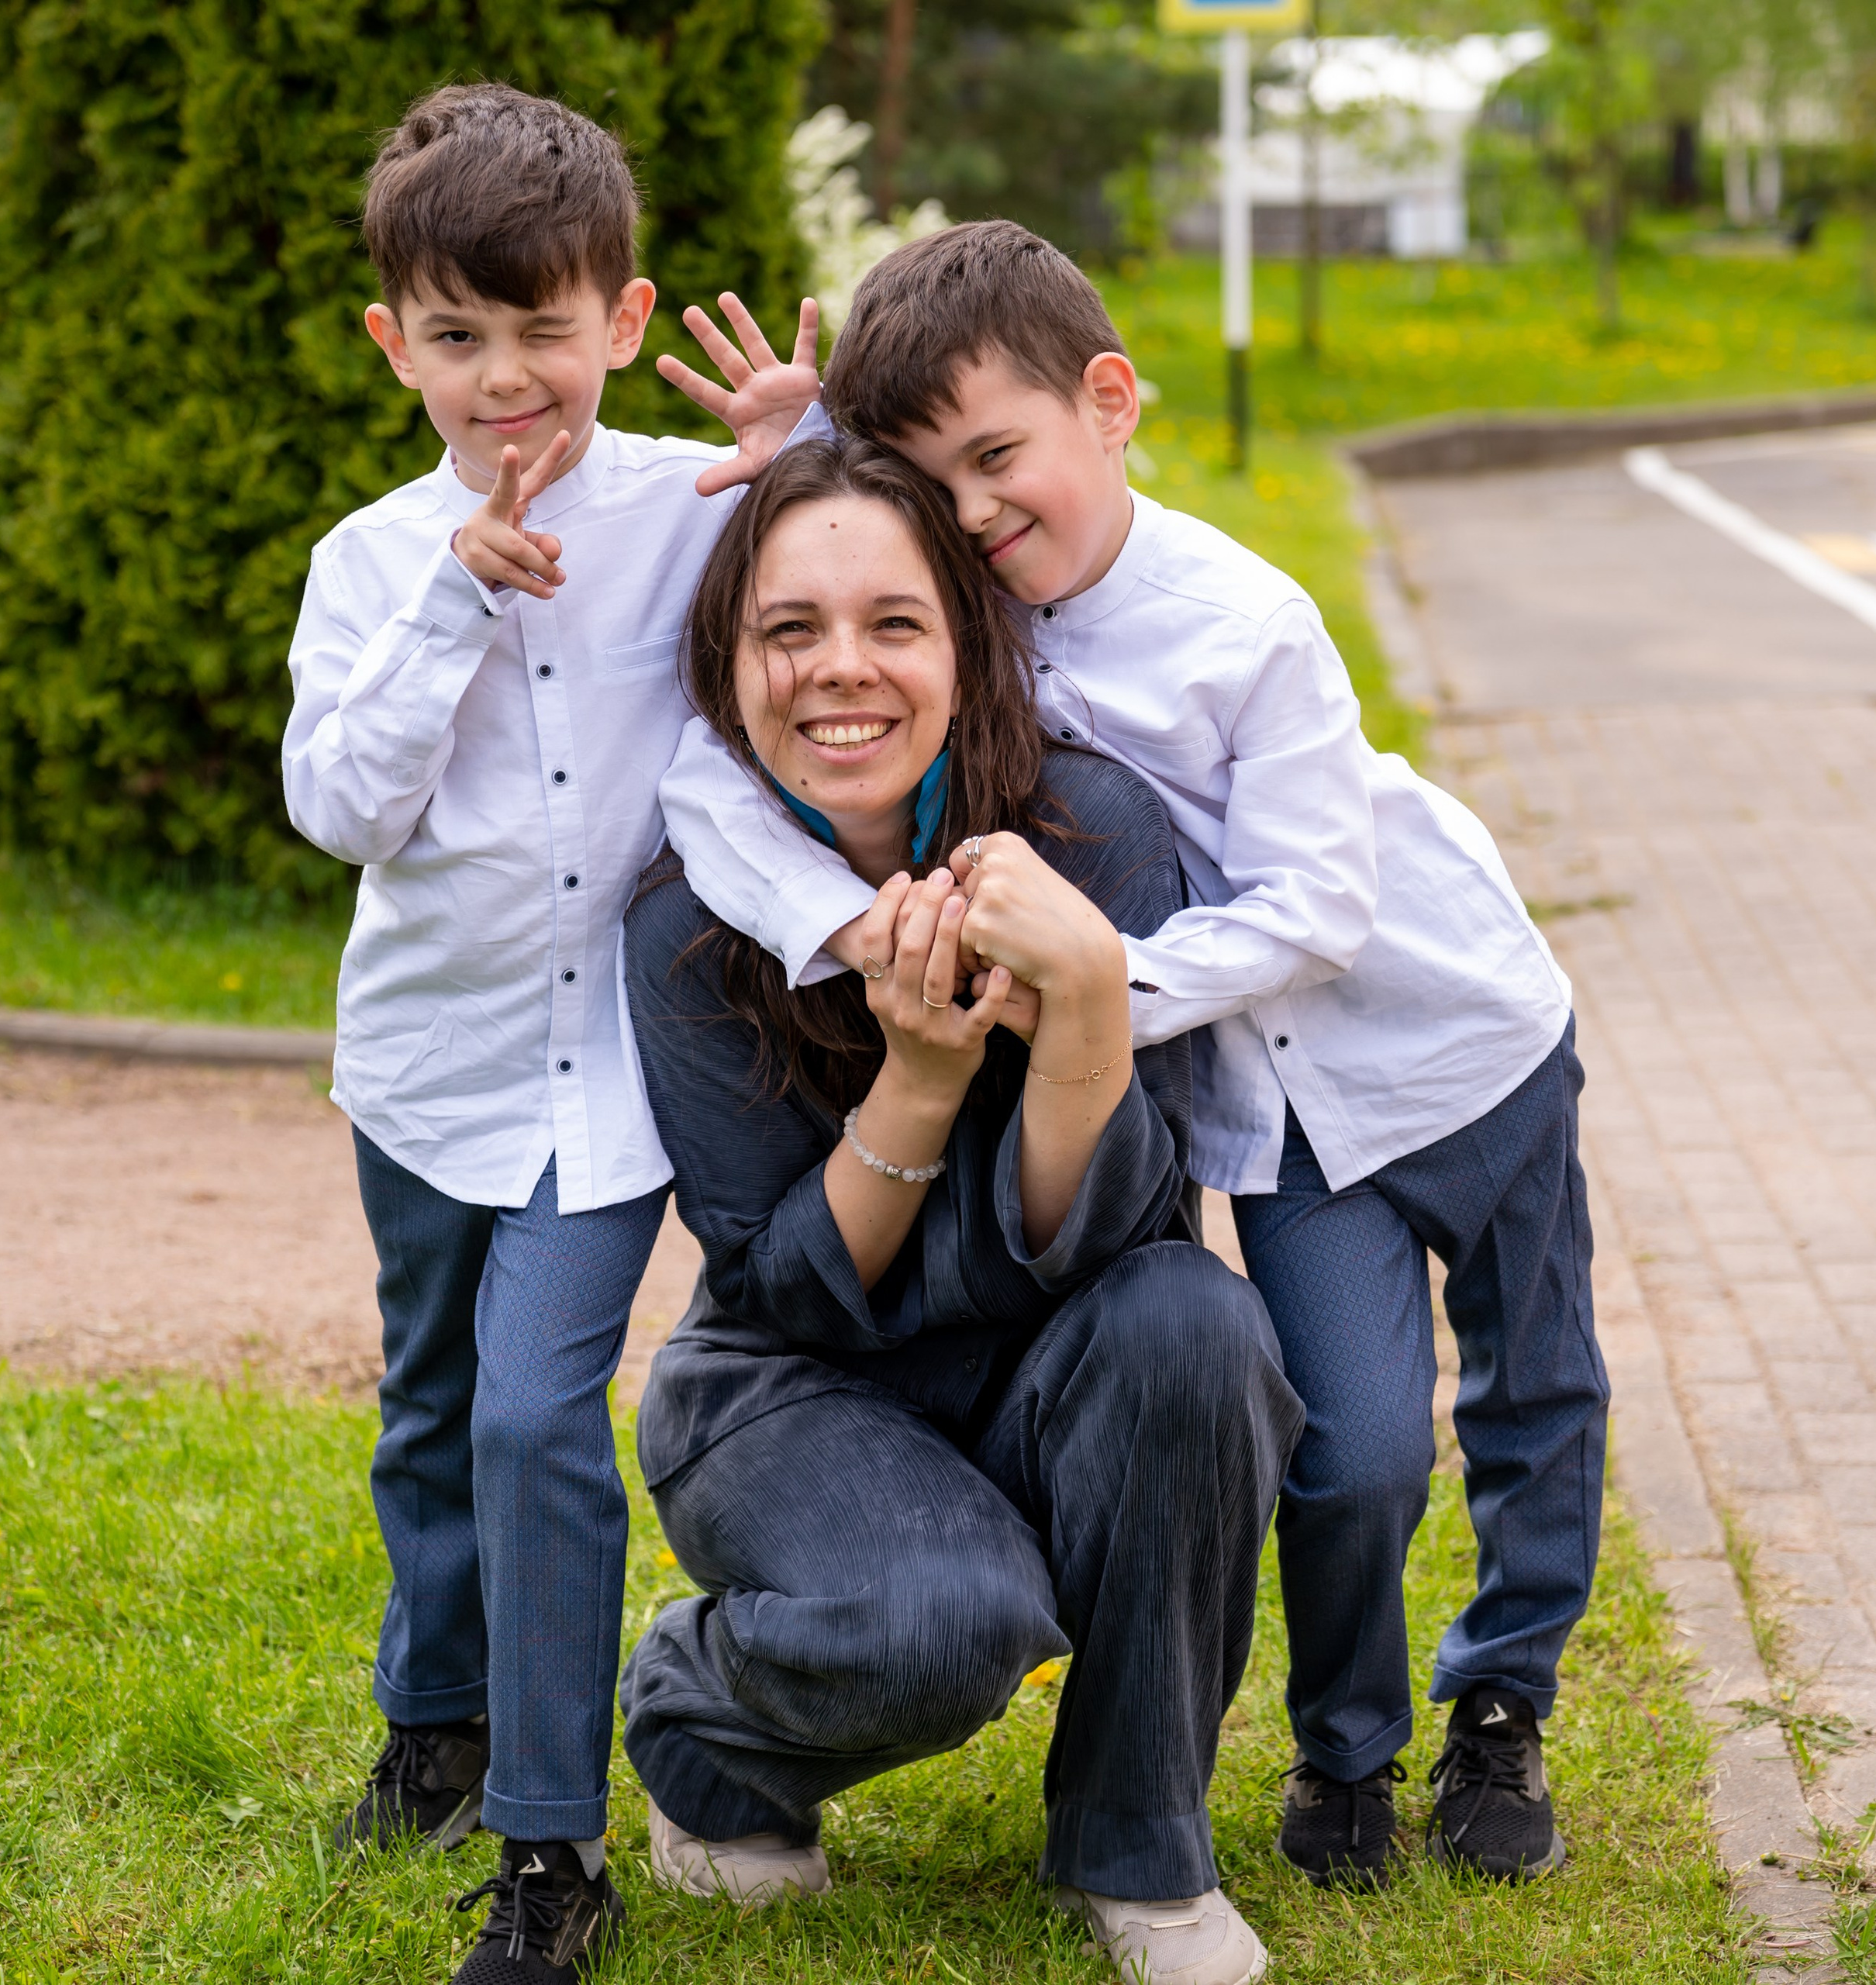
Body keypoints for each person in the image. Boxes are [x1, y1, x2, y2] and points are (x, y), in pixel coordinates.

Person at [661, 220, 1608, 1890]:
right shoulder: (971, 605)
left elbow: (1319, 906)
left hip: (1454, 1035)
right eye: (931, 482)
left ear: (1111, 400)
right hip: (1282, 1104)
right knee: (1355, 1443)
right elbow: (769, 700)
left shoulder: (1245, 616)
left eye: (997, 461)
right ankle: (1345, 1752)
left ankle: (1501, 1700)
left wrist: (1086, 987)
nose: (969, 513)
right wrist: (808, 460)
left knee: (1535, 1384)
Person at [620, 435, 1302, 1985]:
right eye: (788, 628)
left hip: (1059, 1344)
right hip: (796, 1385)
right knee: (943, 1616)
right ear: (727, 668)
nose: (838, 671)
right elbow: (783, 1287)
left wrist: (1082, 1006)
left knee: (1197, 1326)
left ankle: (1138, 1850)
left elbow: (1119, 1230)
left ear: (966, 642)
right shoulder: (684, 920)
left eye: (893, 622)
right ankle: (700, 1719)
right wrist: (917, 1073)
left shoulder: (1092, 835)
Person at [280, 83, 822, 1983]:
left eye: (543, 330)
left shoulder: (693, 501)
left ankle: (546, 1840)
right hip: (427, 1070)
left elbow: (872, 592)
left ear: (618, 312)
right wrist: (446, 607)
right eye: (455, 337)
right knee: (431, 1402)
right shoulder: (368, 563)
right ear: (393, 343)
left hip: (616, 1080)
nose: (505, 377)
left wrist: (806, 447)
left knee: (533, 1416)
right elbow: (343, 809)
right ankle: (432, 1710)